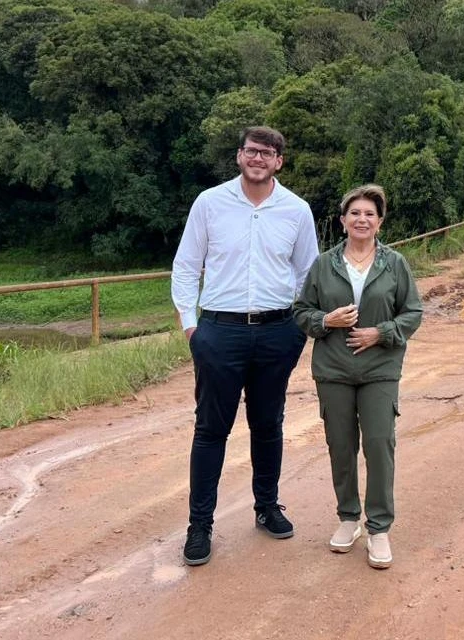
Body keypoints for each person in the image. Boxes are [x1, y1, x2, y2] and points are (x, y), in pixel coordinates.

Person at [171, 126, 319, 566]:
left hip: (277, 332)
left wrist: (295, 327)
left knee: (268, 423)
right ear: (239, 156)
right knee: (211, 429)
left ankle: (267, 506)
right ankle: (200, 525)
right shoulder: (210, 204)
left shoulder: (296, 210)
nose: (258, 158)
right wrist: (191, 328)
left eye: (267, 153)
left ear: (279, 162)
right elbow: (185, 268)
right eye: (251, 151)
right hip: (219, 332)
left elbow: (307, 273)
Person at [293, 184, 423, 570]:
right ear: (342, 221)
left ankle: (379, 528)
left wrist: (380, 332)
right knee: (341, 444)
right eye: (355, 214)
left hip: (380, 370)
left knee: (380, 444)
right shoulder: (323, 264)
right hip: (333, 369)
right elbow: (301, 310)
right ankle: (348, 518)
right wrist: (325, 320)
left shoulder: (395, 264)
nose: (361, 219)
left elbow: (412, 312)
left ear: (379, 223)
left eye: (369, 214)